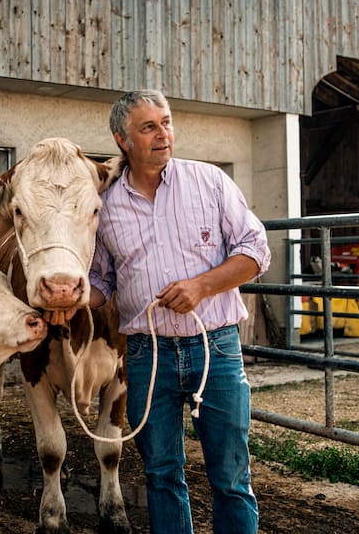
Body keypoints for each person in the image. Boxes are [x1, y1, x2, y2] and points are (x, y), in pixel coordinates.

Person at [87, 89, 270, 534]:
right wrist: (66, 300)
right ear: (122, 140)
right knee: (161, 474)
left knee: (231, 476)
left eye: (166, 122)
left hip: (216, 347)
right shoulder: (106, 207)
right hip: (147, 354)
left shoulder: (209, 182)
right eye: (148, 127)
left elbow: (255, 252)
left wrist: (201, 287)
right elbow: (100, 282)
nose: (163, 134)